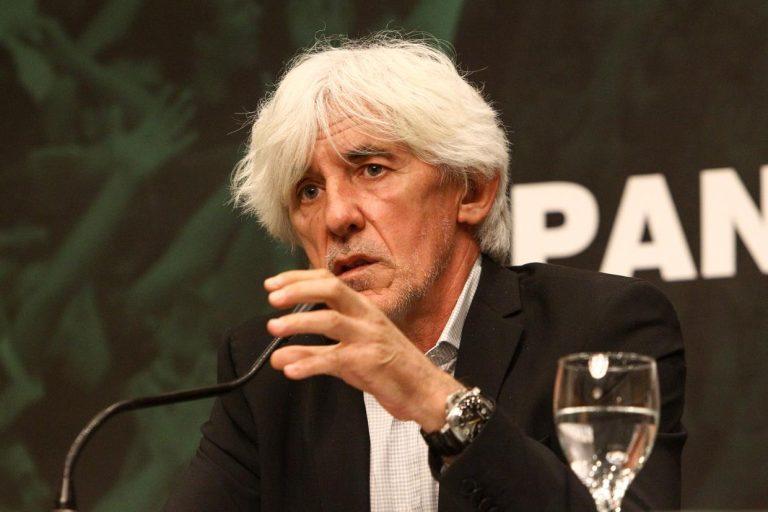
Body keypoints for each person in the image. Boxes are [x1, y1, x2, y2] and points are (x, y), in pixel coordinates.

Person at [166, 34, 685, 511]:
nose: (336, 216)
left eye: (372, 169)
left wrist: (434, 398)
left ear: (472, 190)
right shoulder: (273, 368)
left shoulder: (599, 327)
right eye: (309, 191)